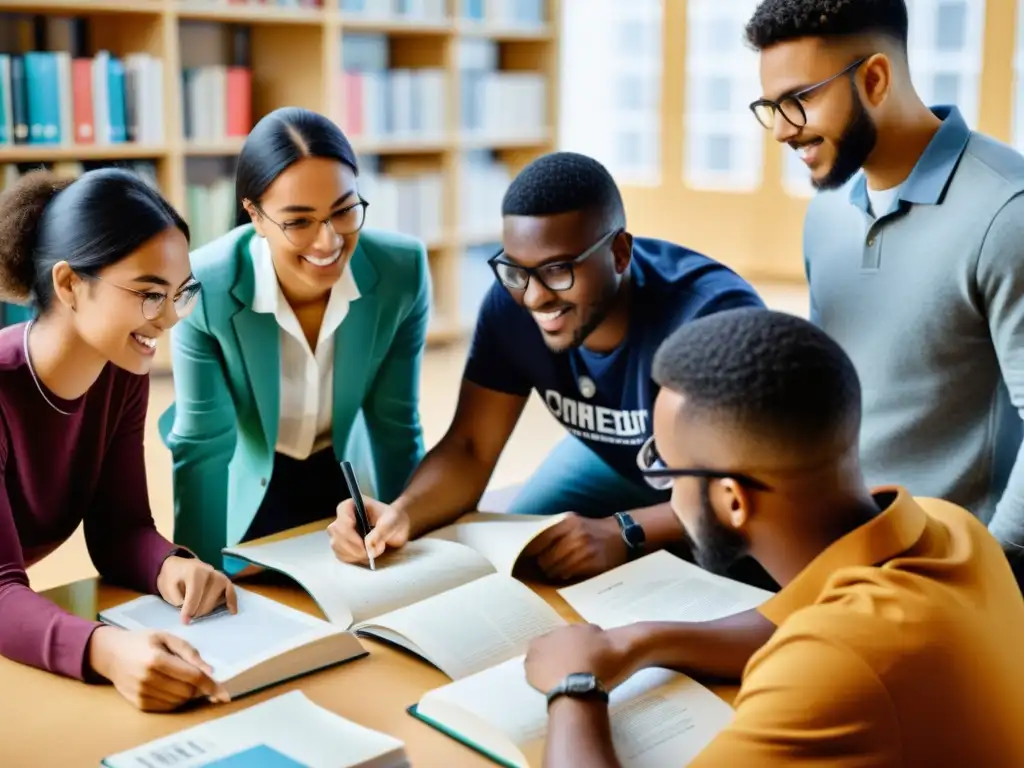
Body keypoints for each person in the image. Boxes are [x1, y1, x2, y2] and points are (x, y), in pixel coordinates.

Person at [523, 308, 1024, 767]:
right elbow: (787, 621)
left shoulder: (832, 666)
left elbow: (827, 646)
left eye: (669, 471)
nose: (669, 493)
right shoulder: (950, 527)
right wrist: (637, 641)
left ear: (732, 500)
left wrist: (575, 687)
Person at [329, 151, 767, 584]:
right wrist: (400, 515)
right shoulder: (511, 303)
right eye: (517, 271)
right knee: (527, 557)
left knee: (725, 571)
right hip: (610, 458)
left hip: (712, 481)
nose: (535, 298)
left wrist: (627, 531)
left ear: (618, 253)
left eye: (558, 270)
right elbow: (470, 447)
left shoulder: (713, 320)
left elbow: (754, 483)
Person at [745, 0, 1024, 583]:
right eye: (770, 107)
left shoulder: (1007, 214)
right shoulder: (825, 211)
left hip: (951, 568)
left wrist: (987, 572)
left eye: (799, 100)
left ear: (874, 79)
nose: (780, 129)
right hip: (842, 546)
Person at [0, 168, 237, 712]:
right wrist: (106, 651)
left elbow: (118, 527)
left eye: (181, 295)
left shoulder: (121, 372)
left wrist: (169, 565)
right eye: (151, 294)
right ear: (68, 285)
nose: (173, 318)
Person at [160, 107, 430, 569]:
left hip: (346, 474)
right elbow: (202, 447)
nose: (328, 242)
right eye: (299, 221)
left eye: (344, 211)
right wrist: (198, 572)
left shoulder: (401, 271)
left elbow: (396, 428)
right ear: (255, 216)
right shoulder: (203, 287)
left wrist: (412, 534)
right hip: (248, 476)